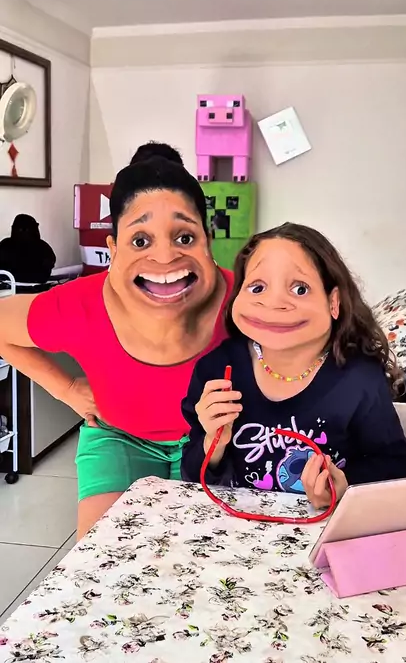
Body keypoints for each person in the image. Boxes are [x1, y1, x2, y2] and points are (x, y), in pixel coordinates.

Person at [0, 143, 233, 538]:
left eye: (184, 237)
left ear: (207, 238)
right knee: (105, 560)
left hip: (215, 441)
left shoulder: (244, 299)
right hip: (119, 437)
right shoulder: (81, 304)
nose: (164, 257)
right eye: (140, 240)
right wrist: (66, 388)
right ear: (113, 248)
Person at [181, 223, 406, 508]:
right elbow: (192, 474)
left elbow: (394, 462)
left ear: (334, 302)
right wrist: (213, 444)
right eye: (257, 287)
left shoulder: (358, 378)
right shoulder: (217, 370)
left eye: (300, 289)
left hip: (325, 526)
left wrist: (344, 484)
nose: (274, 303)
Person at [0, 214, 56, 284]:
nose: (22, 233)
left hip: (13, 286)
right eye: (19, 229)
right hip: (14, 285)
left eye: (25, 230)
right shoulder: (43, 246)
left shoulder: (42, 247)